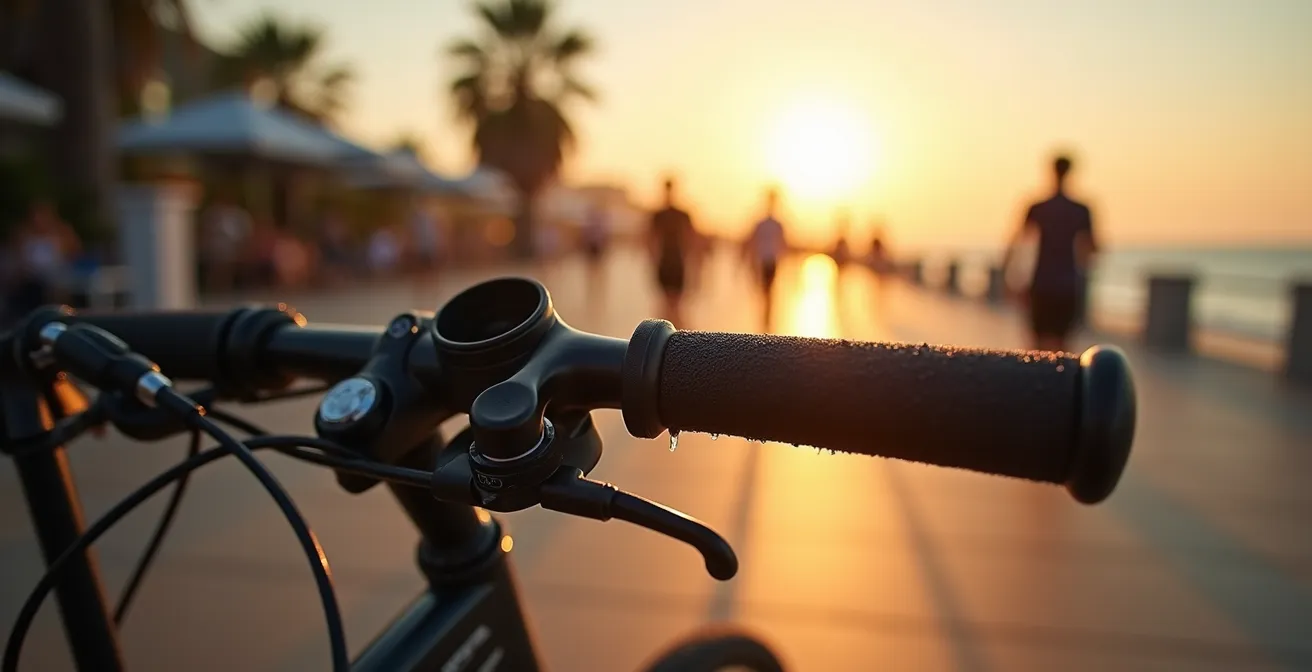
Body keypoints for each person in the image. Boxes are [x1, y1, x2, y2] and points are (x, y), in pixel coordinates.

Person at [1002, 153, 1099, 352]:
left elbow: (1016, 243)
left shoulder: (1038, 207)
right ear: (1070, 172)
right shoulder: (1081, 209)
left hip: (1041, 283)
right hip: (1068, 285)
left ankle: (1035, 382)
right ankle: (1060, 382)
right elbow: (1092, 249)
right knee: (1063, 347)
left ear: (1051, 171)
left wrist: (1009, 278)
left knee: (1036, 347)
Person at [3, 201, 81, 323]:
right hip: (31, 279)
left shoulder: (60, 234)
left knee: (57, 287)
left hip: (54, 278)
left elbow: (73, 253)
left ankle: (61, 317)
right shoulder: (23, 235)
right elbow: (18, 261)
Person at [648, 177, 697, 325]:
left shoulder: (664, 215)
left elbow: (651, 240)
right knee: (672, 304)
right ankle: (674, 337)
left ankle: (670, 337)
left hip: (672, 261)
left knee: (672, 304)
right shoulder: (670, 215)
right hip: (671, 261)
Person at [742, 188, 788, 332]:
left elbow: (783, 245)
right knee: (766, 292)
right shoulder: (765, 224)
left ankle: (766, 321)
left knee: (768, 292)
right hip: (763, 260)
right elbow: (753, 242)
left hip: (770, 260)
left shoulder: (774, 224)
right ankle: (765, 321)